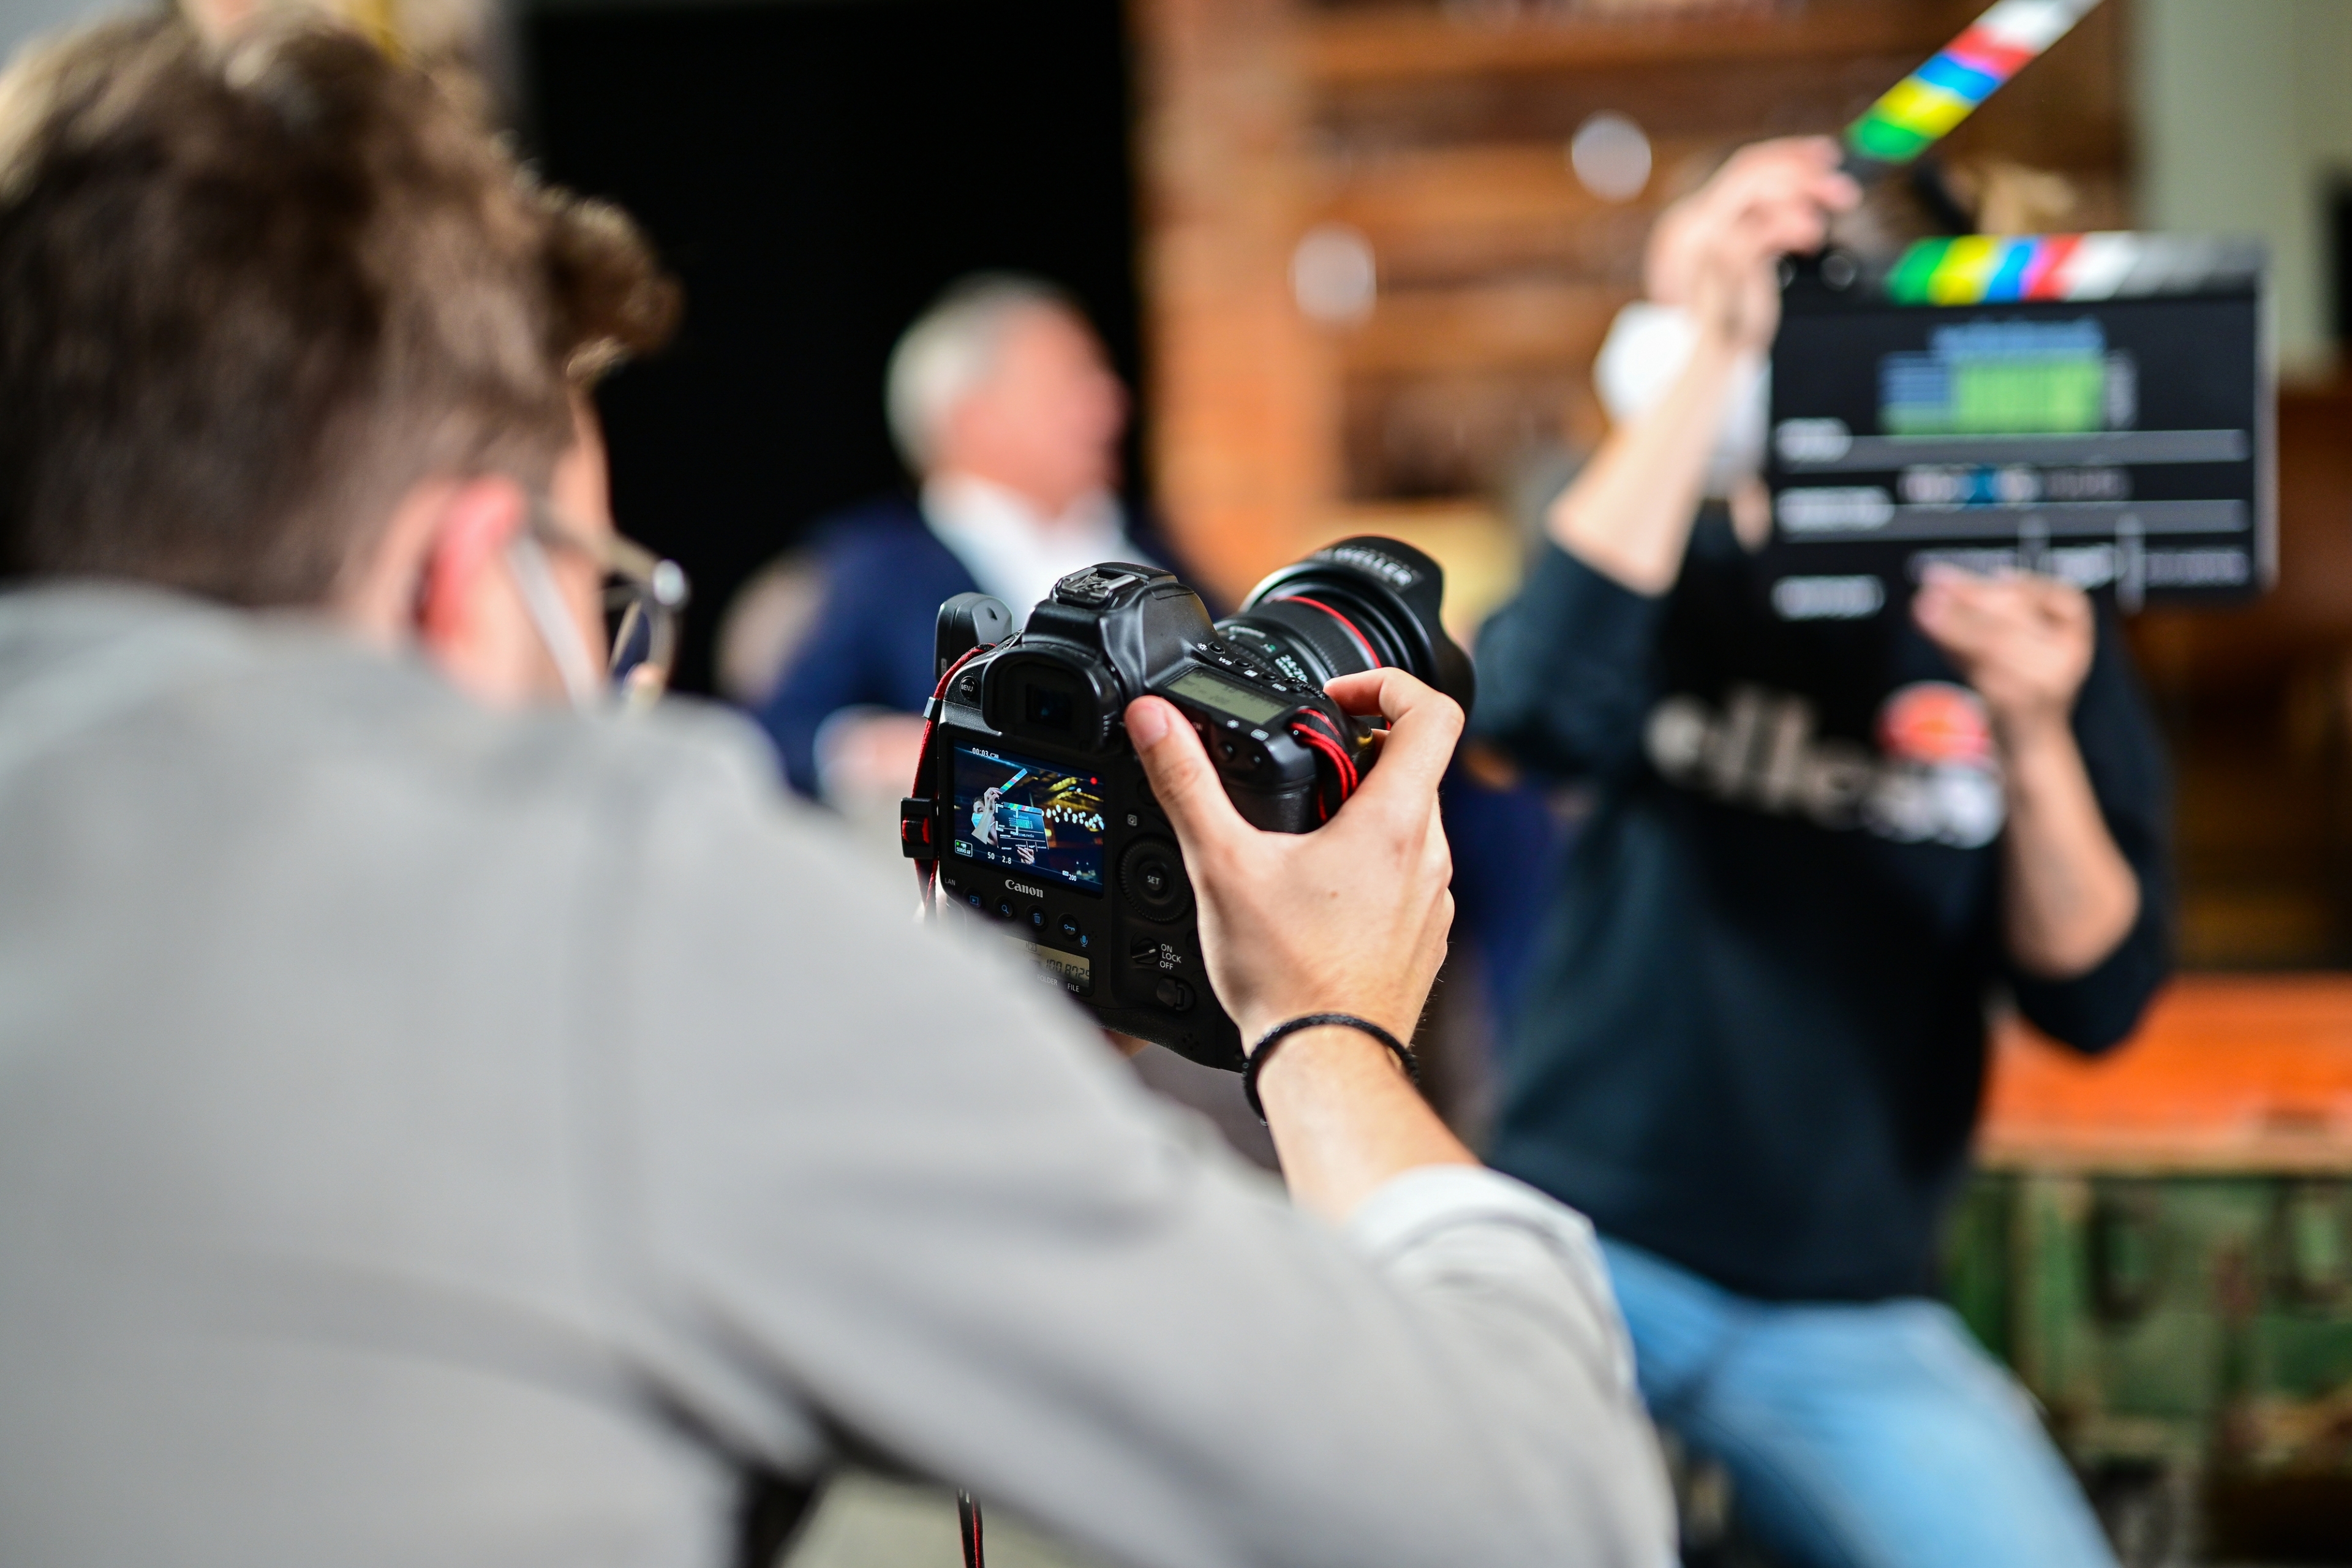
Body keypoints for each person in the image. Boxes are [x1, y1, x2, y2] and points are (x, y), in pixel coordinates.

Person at [0, 16, 1676, 1568]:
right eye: (599, 596)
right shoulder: (623, 916)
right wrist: (1324, 1026)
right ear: (463, 576)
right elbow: (1537, 1515)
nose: (614, 673)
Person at [1472, 137, 2171, 1568]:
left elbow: (2094, 994)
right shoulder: (1678, 569)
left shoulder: (2037, 628)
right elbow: (1527, 712)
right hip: (1584, 1239)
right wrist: (1711, 353)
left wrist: (2033, 733)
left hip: (1844, 1305)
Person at [752, 275, 1183, 804]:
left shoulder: (1147, 544)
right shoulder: (874, 566)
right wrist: (875, 749)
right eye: (1072, 383)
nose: (1110, 405)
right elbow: (776, 734)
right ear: (975, 418)